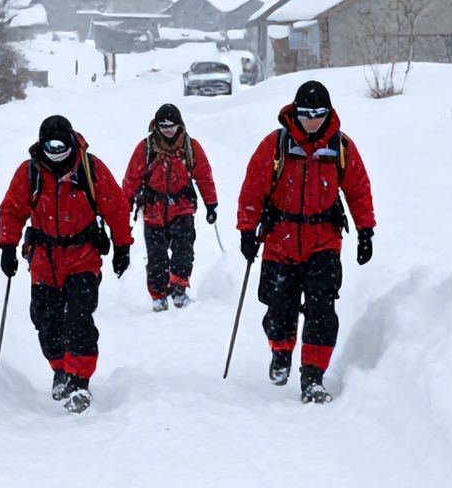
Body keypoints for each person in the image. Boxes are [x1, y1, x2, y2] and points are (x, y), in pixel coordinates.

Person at [236, 80, 375, 404]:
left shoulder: (340, 147)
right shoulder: (276, 145)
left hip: (323, 242)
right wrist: (247, 229)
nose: (312, 120)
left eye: (318, 113)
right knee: (278, 308)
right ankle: (281, 353)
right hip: (280, 241)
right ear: (295, 112)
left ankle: (313, 377)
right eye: (306, 113)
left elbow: (358, 189)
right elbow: (253, 189)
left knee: (322, 311)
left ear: (328, 113)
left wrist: (365, 230)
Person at [0, 115, 134, 413]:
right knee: (46, 321)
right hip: (44, 261)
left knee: (78, 318)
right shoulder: (30, 172)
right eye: (51, 145)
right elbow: (12, 209)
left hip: (82, 256)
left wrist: (122, 244)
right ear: (42, 143)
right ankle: (61, 368)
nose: (57, 150)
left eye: (62, 144)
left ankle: (79, 380)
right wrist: (7, 245)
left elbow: (116, 207)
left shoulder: (89, 168)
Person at [121, 104, 218, 312]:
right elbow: (132, 178)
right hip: (153, 211)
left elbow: (204, 176)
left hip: (182, 209)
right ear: (156, 126)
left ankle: (179, 289)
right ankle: (158, 295)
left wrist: (211, 204)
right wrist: (125, 203)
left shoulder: (191, 147)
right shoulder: (146, 148)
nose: (167, 130)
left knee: (184, 252)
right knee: (156, 257)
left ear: (180, 125)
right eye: (163, 126)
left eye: (171, 126)